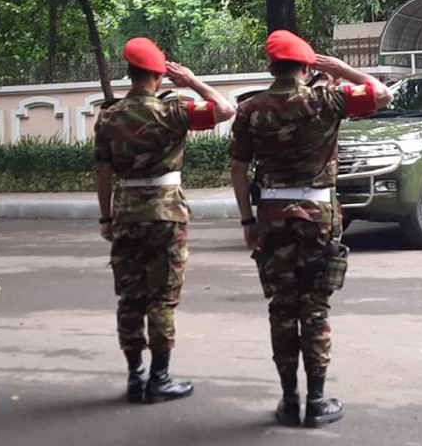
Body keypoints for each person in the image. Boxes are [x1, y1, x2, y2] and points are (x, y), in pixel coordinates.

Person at [229, 30, 393, 428]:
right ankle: (316, 401)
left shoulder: (250, 109)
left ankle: (289, 401)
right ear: (306, 67)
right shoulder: (327, 100)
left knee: (282, 309)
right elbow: (382, 94)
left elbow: (238, 170)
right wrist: (341, 68)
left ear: (272, 67)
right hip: (318, 216)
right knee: (315, 309)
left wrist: (248, 221)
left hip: (272, 217)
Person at [94, 37, 236, 404]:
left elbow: (103, 172)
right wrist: (192, 81)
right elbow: (225, 110)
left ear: (130, 73)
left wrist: (106, 216)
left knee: (130, 298)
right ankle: (159, 378)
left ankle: (134, 377)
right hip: (166, 214)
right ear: (158, 76)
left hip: (126, 213)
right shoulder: (173, 111)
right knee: (161, 297)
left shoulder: (109, 116)